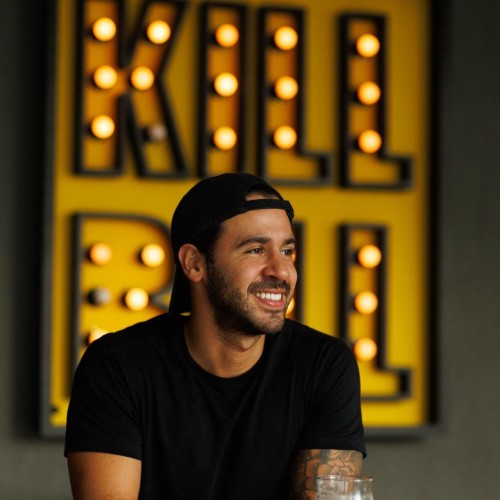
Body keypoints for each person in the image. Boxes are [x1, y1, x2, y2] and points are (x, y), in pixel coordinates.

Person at [65, 173, 366, 499]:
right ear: (194, 264)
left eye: (287, 251)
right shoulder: (118, 367)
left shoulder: (323, 365)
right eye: (255, 250)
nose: (281, 271)